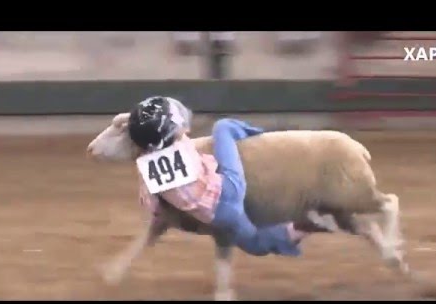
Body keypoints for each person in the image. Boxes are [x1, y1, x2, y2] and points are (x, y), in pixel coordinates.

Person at [129, 96, 320, 257]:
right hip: (228, 187)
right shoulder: (183, 145)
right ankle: (264, 139)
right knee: (224, 127)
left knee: (254, 244)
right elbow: (182, 132)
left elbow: (153, 206)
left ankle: (299, 230)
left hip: (218, 216)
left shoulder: (145, 169)